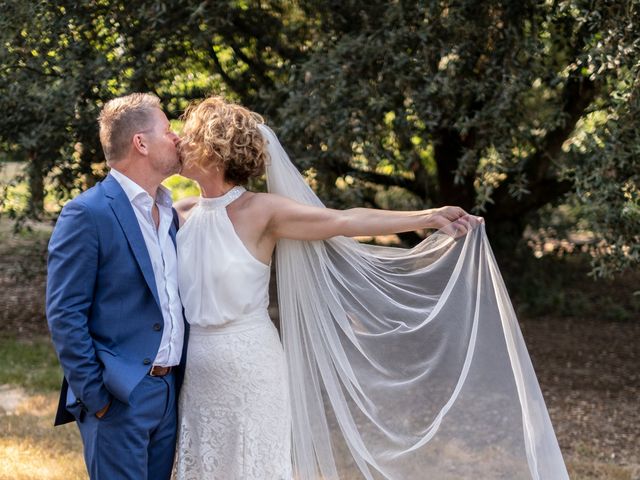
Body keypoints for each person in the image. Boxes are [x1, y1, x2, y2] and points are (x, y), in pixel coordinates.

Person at [173, 96, 569, 479]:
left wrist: (427, 216)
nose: (179, 142)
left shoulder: (261, 211)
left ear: (216, 150)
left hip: (250, 367)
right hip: (198, 370)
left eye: (190, 136)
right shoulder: (180, 213)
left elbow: (345, 221)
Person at [46, 92, 187, 480]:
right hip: (119, 394)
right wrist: (97, 398)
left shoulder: (169, 212)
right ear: (140, 142)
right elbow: (64, 313)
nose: (177, 139)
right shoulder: (87, 213)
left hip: (168, 391)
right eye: (168, 130)